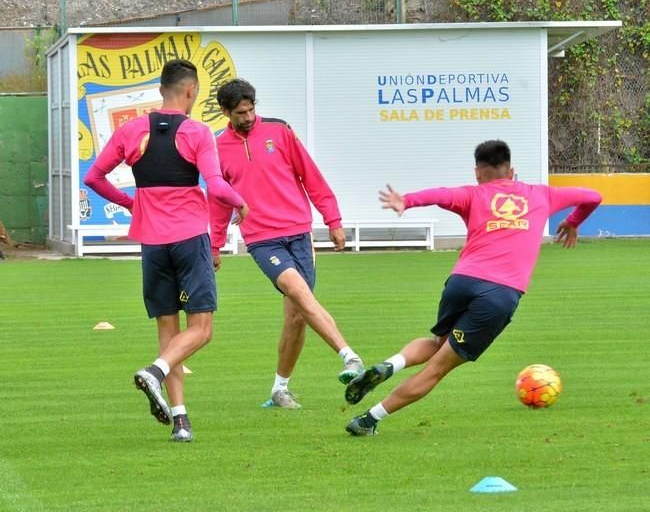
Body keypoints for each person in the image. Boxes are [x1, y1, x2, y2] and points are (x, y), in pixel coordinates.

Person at [344, 139, 602, 435]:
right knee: (438, 368)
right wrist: (572, 222)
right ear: (512, 170)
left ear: (477, 172)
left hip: (461, 282)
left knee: (438, 342)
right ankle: (369, 420)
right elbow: (593, 196)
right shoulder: (542, 194)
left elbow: (441, 194)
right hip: (500, 293)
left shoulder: (473, 194)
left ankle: (390, 365)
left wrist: (407, 200)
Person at [84, 59, 248, 442]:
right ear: (190, 91)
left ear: (162, 90)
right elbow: (215, 186)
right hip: (189, 239)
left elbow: (94, 176)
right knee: (201, 330)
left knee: (168, 334)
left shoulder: (130, 130)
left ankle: (180, 420)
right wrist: (241, 202)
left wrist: (128, 204)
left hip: (152, 244)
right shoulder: (197, 132)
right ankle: (154, 373)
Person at [210, 78, 364, 409]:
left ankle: (280, 389)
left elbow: (311, 176)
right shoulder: (217, 147)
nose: (249, 117)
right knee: (298, 291)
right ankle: (350, 357)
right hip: (262, 239)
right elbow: (219, 199)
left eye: (251, 110)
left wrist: (333, 220)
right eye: (240, 113)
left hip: (299, 232)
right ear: (225, 112)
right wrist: (215, 244)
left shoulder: (280, 131)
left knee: (297, 315)